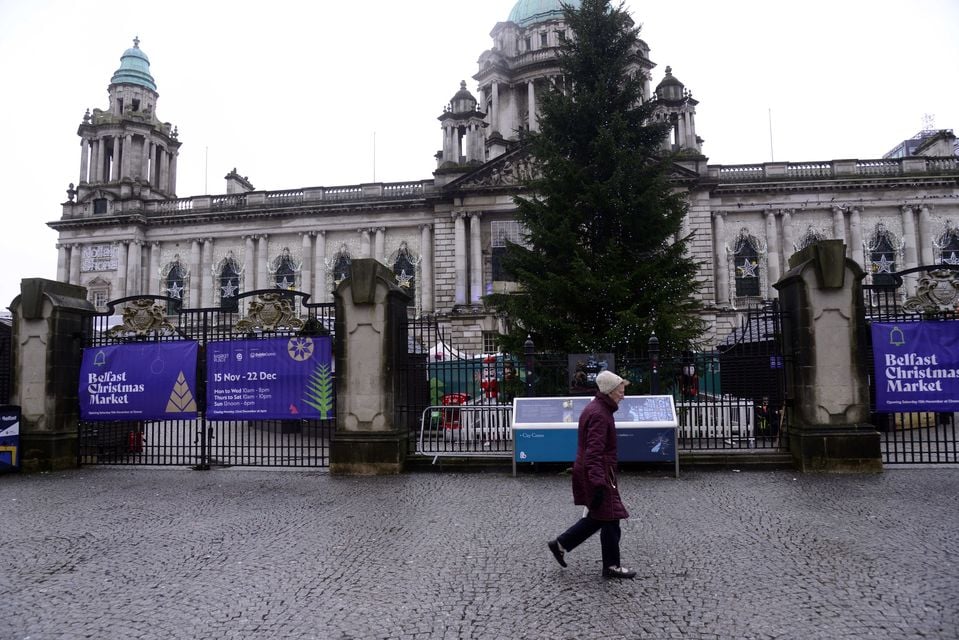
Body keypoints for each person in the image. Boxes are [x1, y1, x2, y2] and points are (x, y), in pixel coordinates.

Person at [548, 370, 636, 579]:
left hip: (598, 471)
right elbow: (594, 452)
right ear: (611, 391)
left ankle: (561, 544)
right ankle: (611, 566)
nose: (623, 393)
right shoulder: (599, 413)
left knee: (601, 517)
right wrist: (598, 483)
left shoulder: (599, 409)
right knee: (611, 517)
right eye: (621, 389)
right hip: (599, 473)